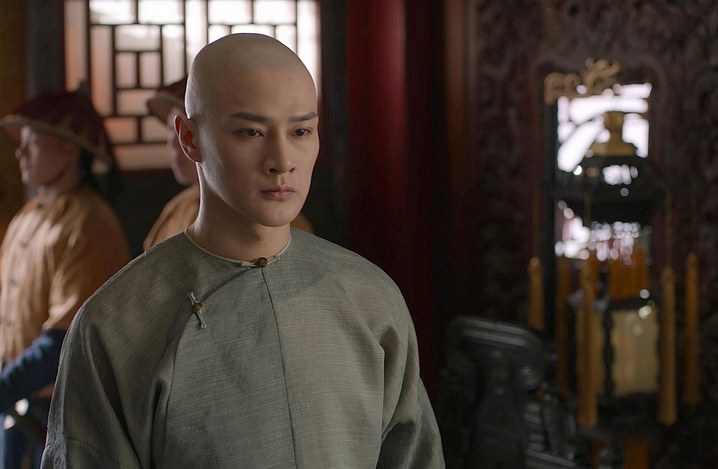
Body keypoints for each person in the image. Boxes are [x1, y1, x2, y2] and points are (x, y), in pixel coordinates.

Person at [42, 33, 444, 467]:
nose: (282, 160)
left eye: (301, 131)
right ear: (189, 138)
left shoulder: (371, 298)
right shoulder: (115, 324)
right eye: (251, 131)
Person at [0, 90, 132, 468]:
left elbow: (65, 339)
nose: (20, 153)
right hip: (17, 397)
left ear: (69, 150)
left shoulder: (89, 222)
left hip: (60, 408)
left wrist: (5, 385)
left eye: (32, 143)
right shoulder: (28, 215)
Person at [143, 76, 314, 251]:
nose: (175, 143)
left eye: (300, 132)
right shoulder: (179, 206)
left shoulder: (277, 219)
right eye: (171, 130)